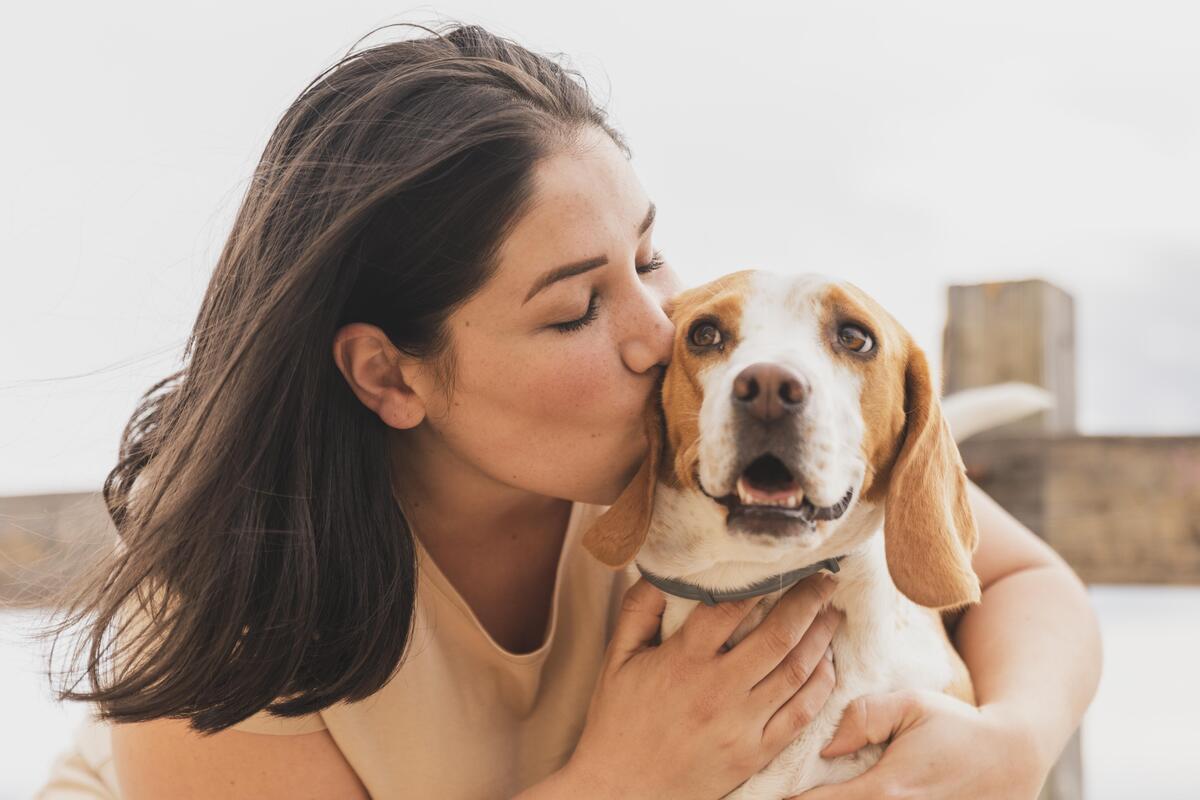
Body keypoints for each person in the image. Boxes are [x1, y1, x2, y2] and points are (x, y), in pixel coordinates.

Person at [33, 21, 1101, 800]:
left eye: (648, 255)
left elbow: (1023, 579)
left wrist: (1013, 742)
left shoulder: (678, 439)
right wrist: (622, 781)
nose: (661, 330)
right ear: (390, 376)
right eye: (577, 309)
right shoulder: (216, 619)